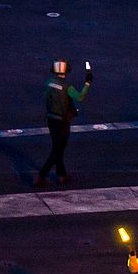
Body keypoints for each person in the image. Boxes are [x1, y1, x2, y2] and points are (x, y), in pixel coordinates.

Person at [36, 59, 91, 188]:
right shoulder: (67, 87)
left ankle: (61, 175)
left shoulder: (49, 83)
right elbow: (80, 97)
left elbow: (46, 98)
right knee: (58, 149)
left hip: (51, 119)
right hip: (62, 121)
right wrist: (87, 83)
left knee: (57, 147)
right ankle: (42, 175)